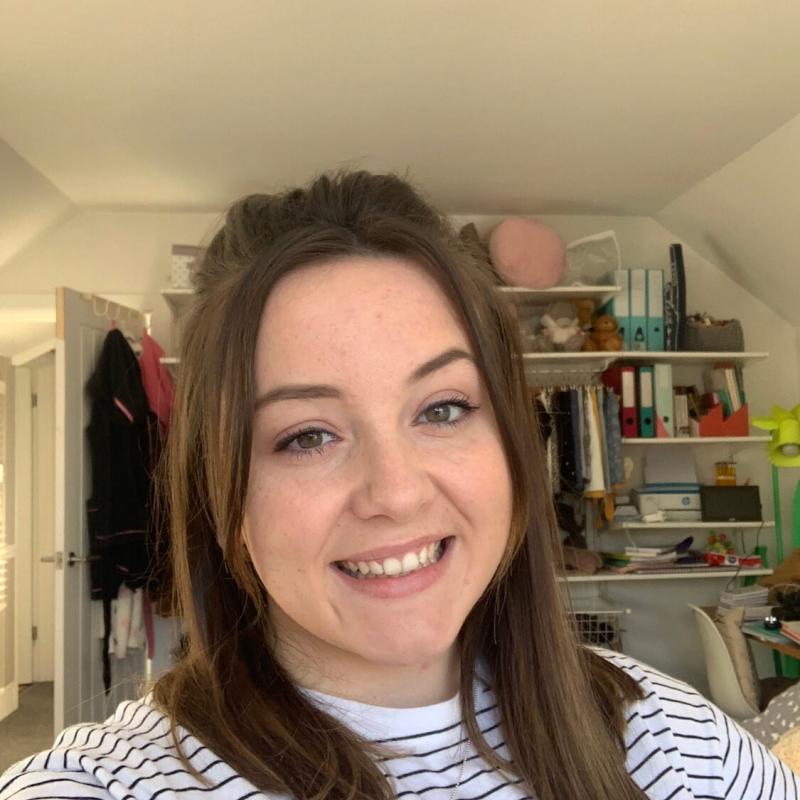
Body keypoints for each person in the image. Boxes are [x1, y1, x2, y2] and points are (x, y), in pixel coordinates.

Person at [1, 171, 797, 800]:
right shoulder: (117, 783)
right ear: (222, 493)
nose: (398, 493)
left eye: (444, 408)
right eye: (307, 436)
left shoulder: (664, 734)